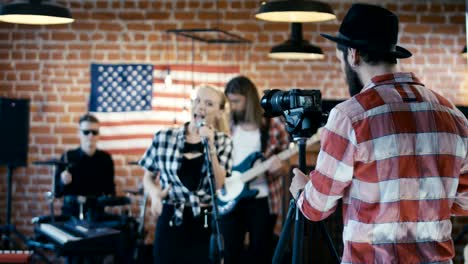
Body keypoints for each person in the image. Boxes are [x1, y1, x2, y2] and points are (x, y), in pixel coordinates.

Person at [290, 3, 468, 264]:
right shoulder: (454, 116)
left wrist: (302, 191)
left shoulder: (350, 116)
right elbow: (464, 202)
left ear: (353, 55)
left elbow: (316, 208)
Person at [139, 84, 232, 264]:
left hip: (205, 218)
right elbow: (148, 176)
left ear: (220, 112)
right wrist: (155, 194)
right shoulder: (163, 137)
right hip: (171, 215)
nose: (200, 107)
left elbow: (219, 184)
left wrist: (210, 145)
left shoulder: (223, 142)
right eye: (197, 101)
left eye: (209, 103)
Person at [222, 76, 290, 264]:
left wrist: (280, 167)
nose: (232, 106)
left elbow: (285, 164)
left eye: (236, 101)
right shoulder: (227, 123)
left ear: (249, 99)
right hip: (230, 198)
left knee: (261, 253)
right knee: (230, 253)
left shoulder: (273, 125)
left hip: (262, 200)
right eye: (229, 101)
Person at [56, 113, 115, 220]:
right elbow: (57, 192)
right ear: (79, 133)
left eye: (94, 132)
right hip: (71, 213)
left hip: (97, 214)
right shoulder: (68, 157)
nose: (90, 136)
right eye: (86, 132)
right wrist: (62, 182)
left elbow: (110, 191)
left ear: (98, 135)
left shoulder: (106, 159)